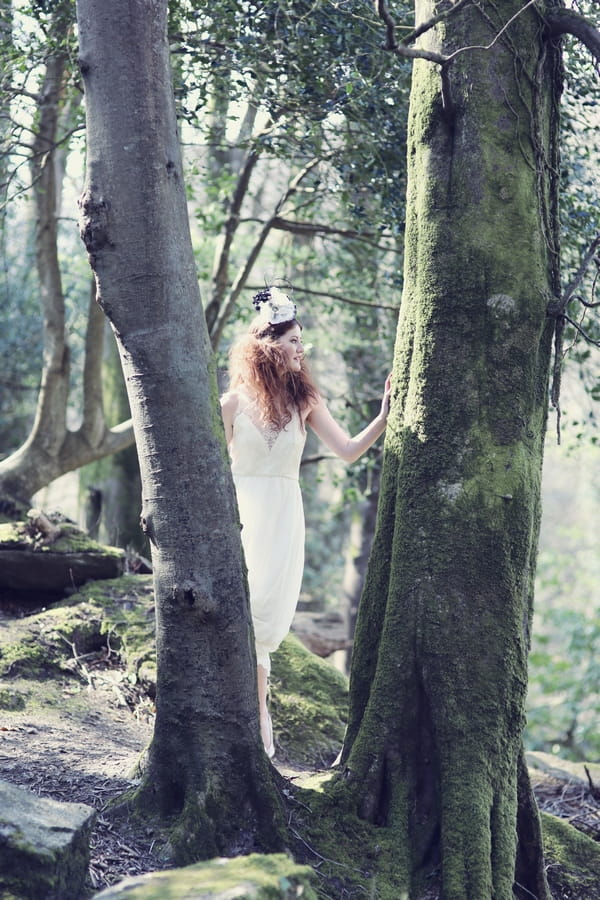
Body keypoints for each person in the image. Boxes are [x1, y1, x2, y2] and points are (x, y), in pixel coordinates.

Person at [220, 286, 391, 758]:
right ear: (267, 346)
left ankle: (257, 715)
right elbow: (208, 470)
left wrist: (383, 415)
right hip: (240, 514)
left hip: (282, 516)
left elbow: (349, 450)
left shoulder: (305, 401)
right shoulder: (230, 405)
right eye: (294, 340)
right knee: (243, 613)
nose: (302, 348)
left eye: (302, 340)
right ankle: (256, 718)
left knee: (266, 621)